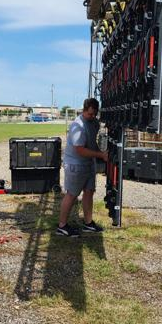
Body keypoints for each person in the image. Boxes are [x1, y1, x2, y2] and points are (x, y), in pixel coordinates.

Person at [56, 98, 108, 237]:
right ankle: (62, 226)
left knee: (89, 191)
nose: (92, 117)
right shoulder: (77, 126)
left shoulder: (94, 123)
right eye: (90, 114)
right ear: (84, 110)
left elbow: (91, 143)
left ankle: (88, 223)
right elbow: (80, 150)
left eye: (94, 114)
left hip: (88, 163)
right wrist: (100, 154)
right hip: (76, 164)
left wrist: (99, 154)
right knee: (72, 194)